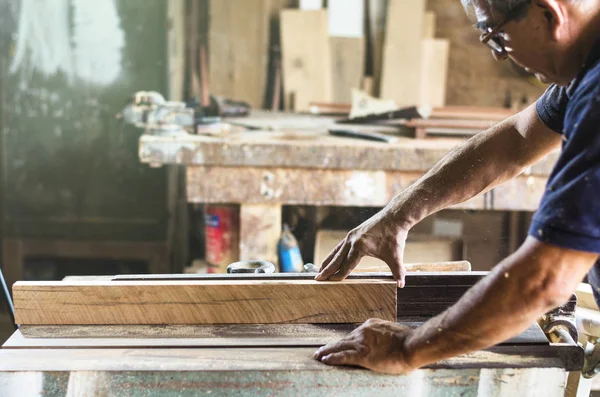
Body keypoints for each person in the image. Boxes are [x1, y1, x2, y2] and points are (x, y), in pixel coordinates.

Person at [313, 0, 600, 374]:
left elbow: (544, 280)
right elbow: (514, 142)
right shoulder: (584, 67)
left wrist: (406, 347)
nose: (499, 57)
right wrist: (398, 215)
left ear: (548, 14)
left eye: (495, 37)